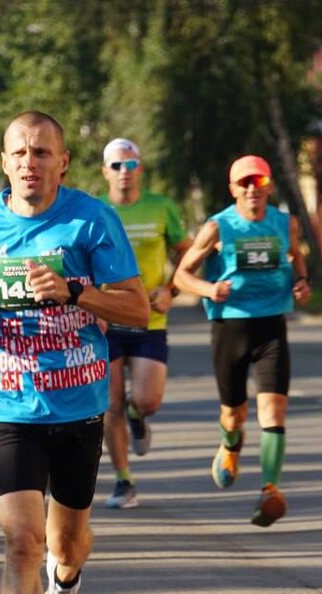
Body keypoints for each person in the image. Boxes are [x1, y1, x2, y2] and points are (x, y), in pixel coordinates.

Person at [0, 111, 147, 594]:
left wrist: (74, 290)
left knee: (64, 544)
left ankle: (67, 579)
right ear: (4, 161)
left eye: (42, 153)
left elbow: (136, 307)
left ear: (62, 162)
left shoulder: (92, 221)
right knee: (21, 543)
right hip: (9, 402)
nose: (29, 163)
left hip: (79, 403)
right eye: (19, 153)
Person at [172, 154, 311, 528]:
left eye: (260, 182)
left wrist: (301, 282)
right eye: (245, 183)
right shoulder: (218, 227)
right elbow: (182, 276)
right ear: (233, 189)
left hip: (271, 326)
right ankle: (230, 445)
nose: (253, 189)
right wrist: (208, 288)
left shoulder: (286, 223)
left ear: (268, 187)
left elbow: (296, 257)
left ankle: (270, 490)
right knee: (233, 414)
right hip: (230, 328)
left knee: (274, 412)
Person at [98, 138, 191, 509]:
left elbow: (188, 255)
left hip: (150, 317)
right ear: (105, 171)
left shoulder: (161, 207)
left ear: (141, 169)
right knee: (111, 404)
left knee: (147, 400)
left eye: (131, 165)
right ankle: (124, 480)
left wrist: (171, 289)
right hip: (105, 320)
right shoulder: (94, 211)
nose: (125, 172)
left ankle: (140, 418)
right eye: (117, 166)